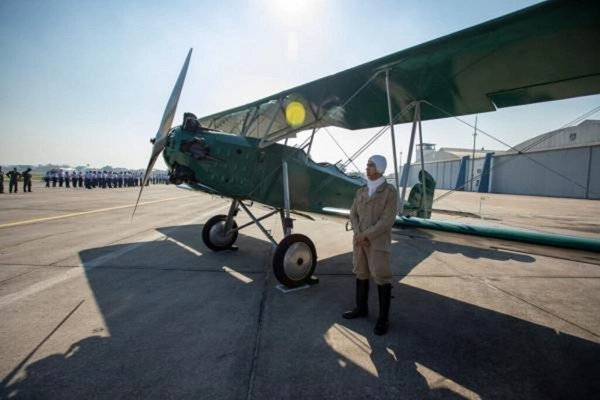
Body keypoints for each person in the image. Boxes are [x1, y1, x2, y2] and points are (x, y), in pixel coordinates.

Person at [343, 155, 398, 335]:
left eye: (371, 165)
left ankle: (383, 319)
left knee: (382, 277)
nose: (367, 168)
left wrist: (365, 235)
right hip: (360, 241)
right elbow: (353, 214)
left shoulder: (390, 192)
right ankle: (361, 308)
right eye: (367, 165)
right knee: (361, 272)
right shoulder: (361, 191)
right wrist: (358, 234)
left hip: (378, 242)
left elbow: (387, 220)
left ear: (380, 169)